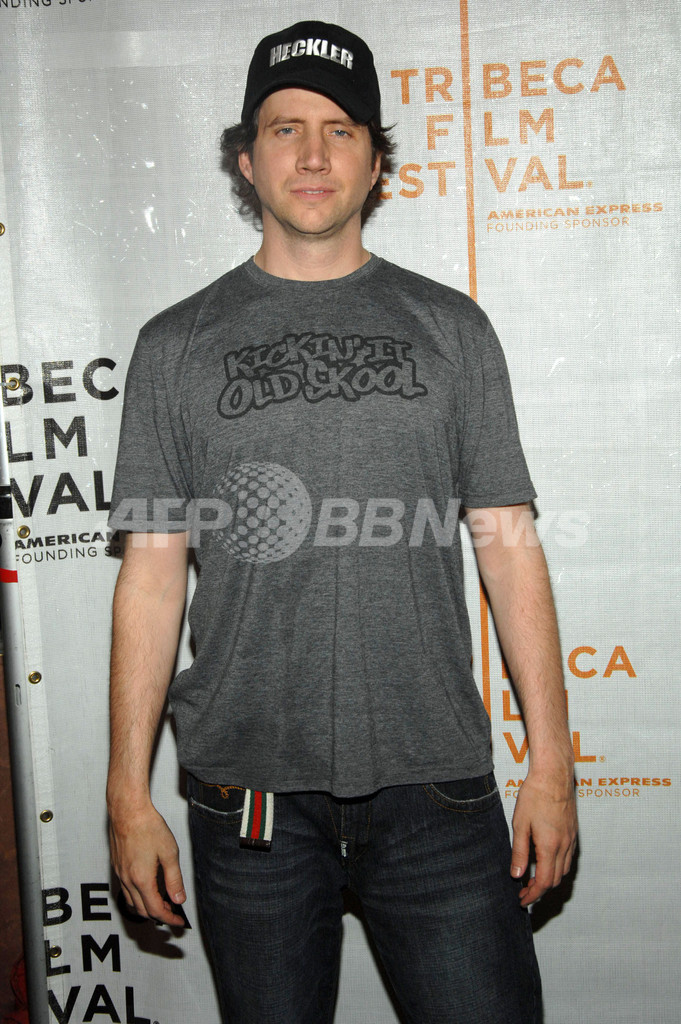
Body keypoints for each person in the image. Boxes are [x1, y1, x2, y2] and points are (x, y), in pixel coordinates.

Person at [106, 20, 577, 1024]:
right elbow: (150, 574)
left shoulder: (452, 330)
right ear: (246, 158)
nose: (314, 155)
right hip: (248, 800)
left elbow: (508, 548)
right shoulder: (174, 345)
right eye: (286, 129)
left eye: (341, 130)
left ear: (375, 161)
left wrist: (553, 766)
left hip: (437, 786)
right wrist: (125, 792)